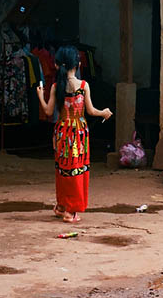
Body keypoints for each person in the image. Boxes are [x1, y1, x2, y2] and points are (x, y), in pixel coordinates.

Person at [38, 46, 112, 223]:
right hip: (79, 132)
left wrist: (40, 95)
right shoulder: (84, 86)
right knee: (78, 170)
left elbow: (48, 111)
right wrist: (104, 112)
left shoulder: (57, 87)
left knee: (63, 170)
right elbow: (91, 111)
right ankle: (71, 211)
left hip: (63, 132)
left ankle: (63, 206)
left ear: (57, 65)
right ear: (78, 64)